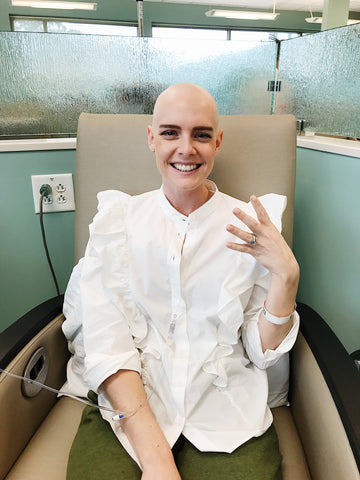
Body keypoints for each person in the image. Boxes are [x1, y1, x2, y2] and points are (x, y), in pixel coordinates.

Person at [62, 82, 300, 480]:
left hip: (228, 416)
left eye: (201, 134)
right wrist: (158, 464)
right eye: (171, 132)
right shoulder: (117, 225)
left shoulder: (252, 227)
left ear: (218, 142)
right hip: (131, 408)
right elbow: (108, 345)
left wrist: (286, 278)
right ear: (151, 138)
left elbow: (260, 354)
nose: (186, 148)